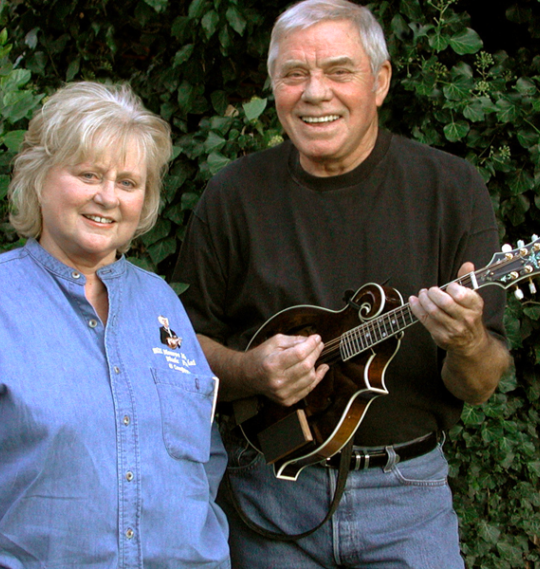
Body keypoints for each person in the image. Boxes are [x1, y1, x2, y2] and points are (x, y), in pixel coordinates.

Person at [171, 0, 513, 567]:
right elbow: (180, 353)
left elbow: (477, 387)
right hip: (268, 492)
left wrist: (468, 341)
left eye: (338, 71)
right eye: (294, 74)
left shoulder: (451, 189)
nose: (315, 92)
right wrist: (249, 370)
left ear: (379, 82)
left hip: (408, 499)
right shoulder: (233, 195)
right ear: (274, 86)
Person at [0, 81, 230, 569]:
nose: (108, 197)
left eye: (128, 182)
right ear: (38, 178)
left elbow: (203, 458)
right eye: (88, 174)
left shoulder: (161, 304)